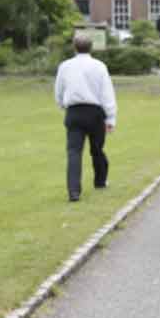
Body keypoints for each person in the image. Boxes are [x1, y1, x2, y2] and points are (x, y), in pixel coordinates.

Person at [54, 33, 117, 202]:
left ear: (74, 47)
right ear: (91, 47)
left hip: (74, 112)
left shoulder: (65, 66)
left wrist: (62, 105)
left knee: (74, 152)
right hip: (95, 112)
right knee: (97, 149)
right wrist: (110, 118)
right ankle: (100, 181)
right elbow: (107, 94)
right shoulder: (99, 66)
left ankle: (73, 191)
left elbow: (59, 90)